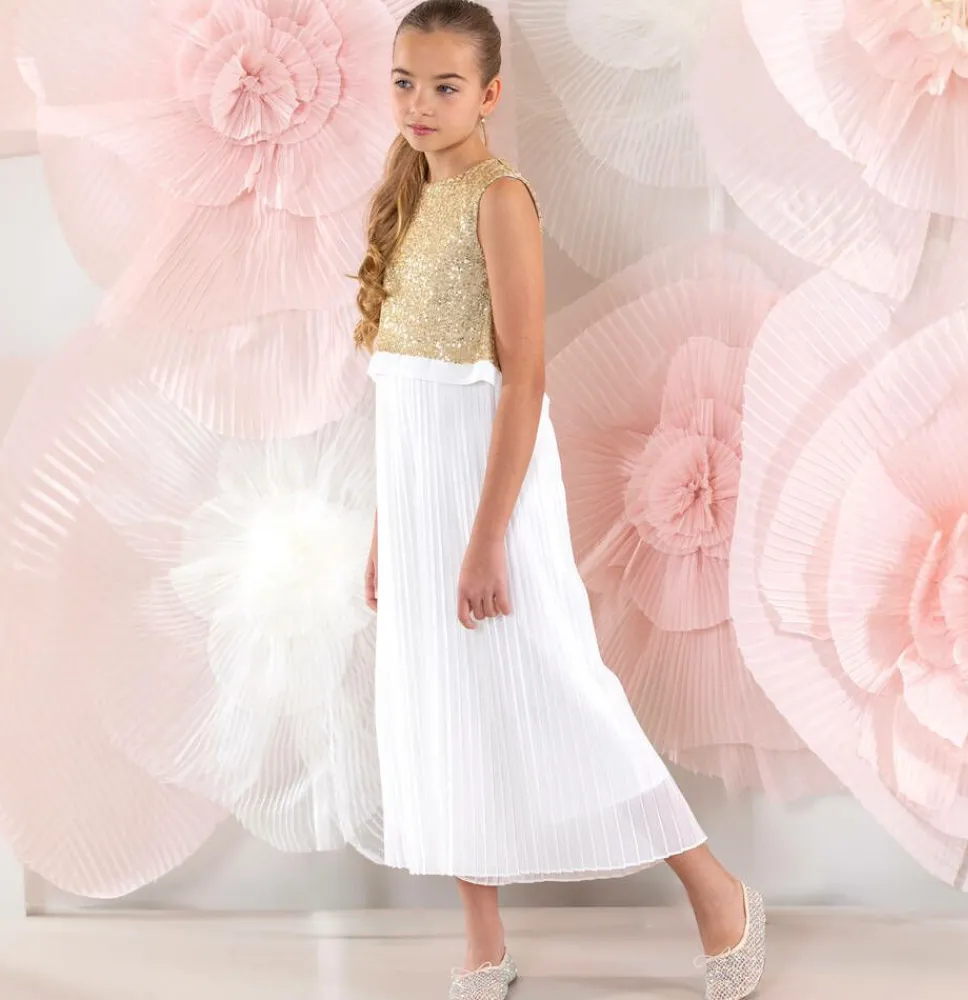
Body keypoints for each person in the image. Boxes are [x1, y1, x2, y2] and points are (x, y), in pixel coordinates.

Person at [353, 3, 766, 998]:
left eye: (445, 85)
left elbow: (524, 376)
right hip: (417, 491)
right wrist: (385, 531)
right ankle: (482, 942)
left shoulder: (500, 198)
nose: (420, 103)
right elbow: (401, 393)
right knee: (442, 702)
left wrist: (487, 536)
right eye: (405, 81)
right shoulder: (405, 196)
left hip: (487, 485)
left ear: (489, 94)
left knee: (561, 683)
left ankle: (718, 891)